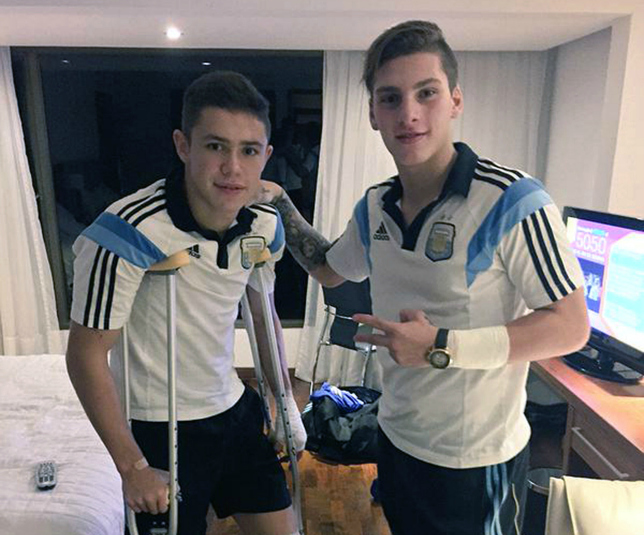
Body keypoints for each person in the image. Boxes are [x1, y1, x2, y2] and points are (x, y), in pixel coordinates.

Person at [256, 20, 589, 535]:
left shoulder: (512, 200)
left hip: (475, 463)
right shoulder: (375, 206)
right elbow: (327, 267)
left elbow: (571, 326)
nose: (408, 113)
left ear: (455, 100)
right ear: (373, 113)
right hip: (396, 440)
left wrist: (439, 346)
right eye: (390, 98)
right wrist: (280, 201)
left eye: (426, 93)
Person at [66, 71, 305, 535]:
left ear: (266, 156)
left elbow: (262, 313)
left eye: (249, 150)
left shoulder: (264, 224)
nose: (232, 168)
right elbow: (85, 355)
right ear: (183, 145)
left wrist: (285, 403)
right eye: (215, 146)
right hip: (161, 425)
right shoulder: (125, 231)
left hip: (233, 407)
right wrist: (132, 466)